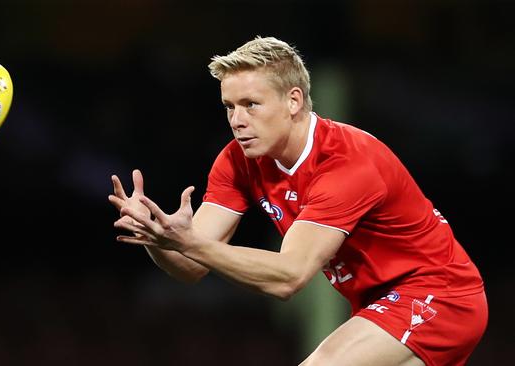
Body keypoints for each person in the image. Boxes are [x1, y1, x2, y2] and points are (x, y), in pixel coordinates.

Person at [108, 36, 487, 365]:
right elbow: (189, 266)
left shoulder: (348, 164)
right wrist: (156, 237)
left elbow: (289, 276)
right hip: (375, 303)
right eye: (229, 107)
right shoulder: (239, 160)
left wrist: (188, 242)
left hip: (439, 297)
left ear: (293, 100)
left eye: (251, 104)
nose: (237, 120)